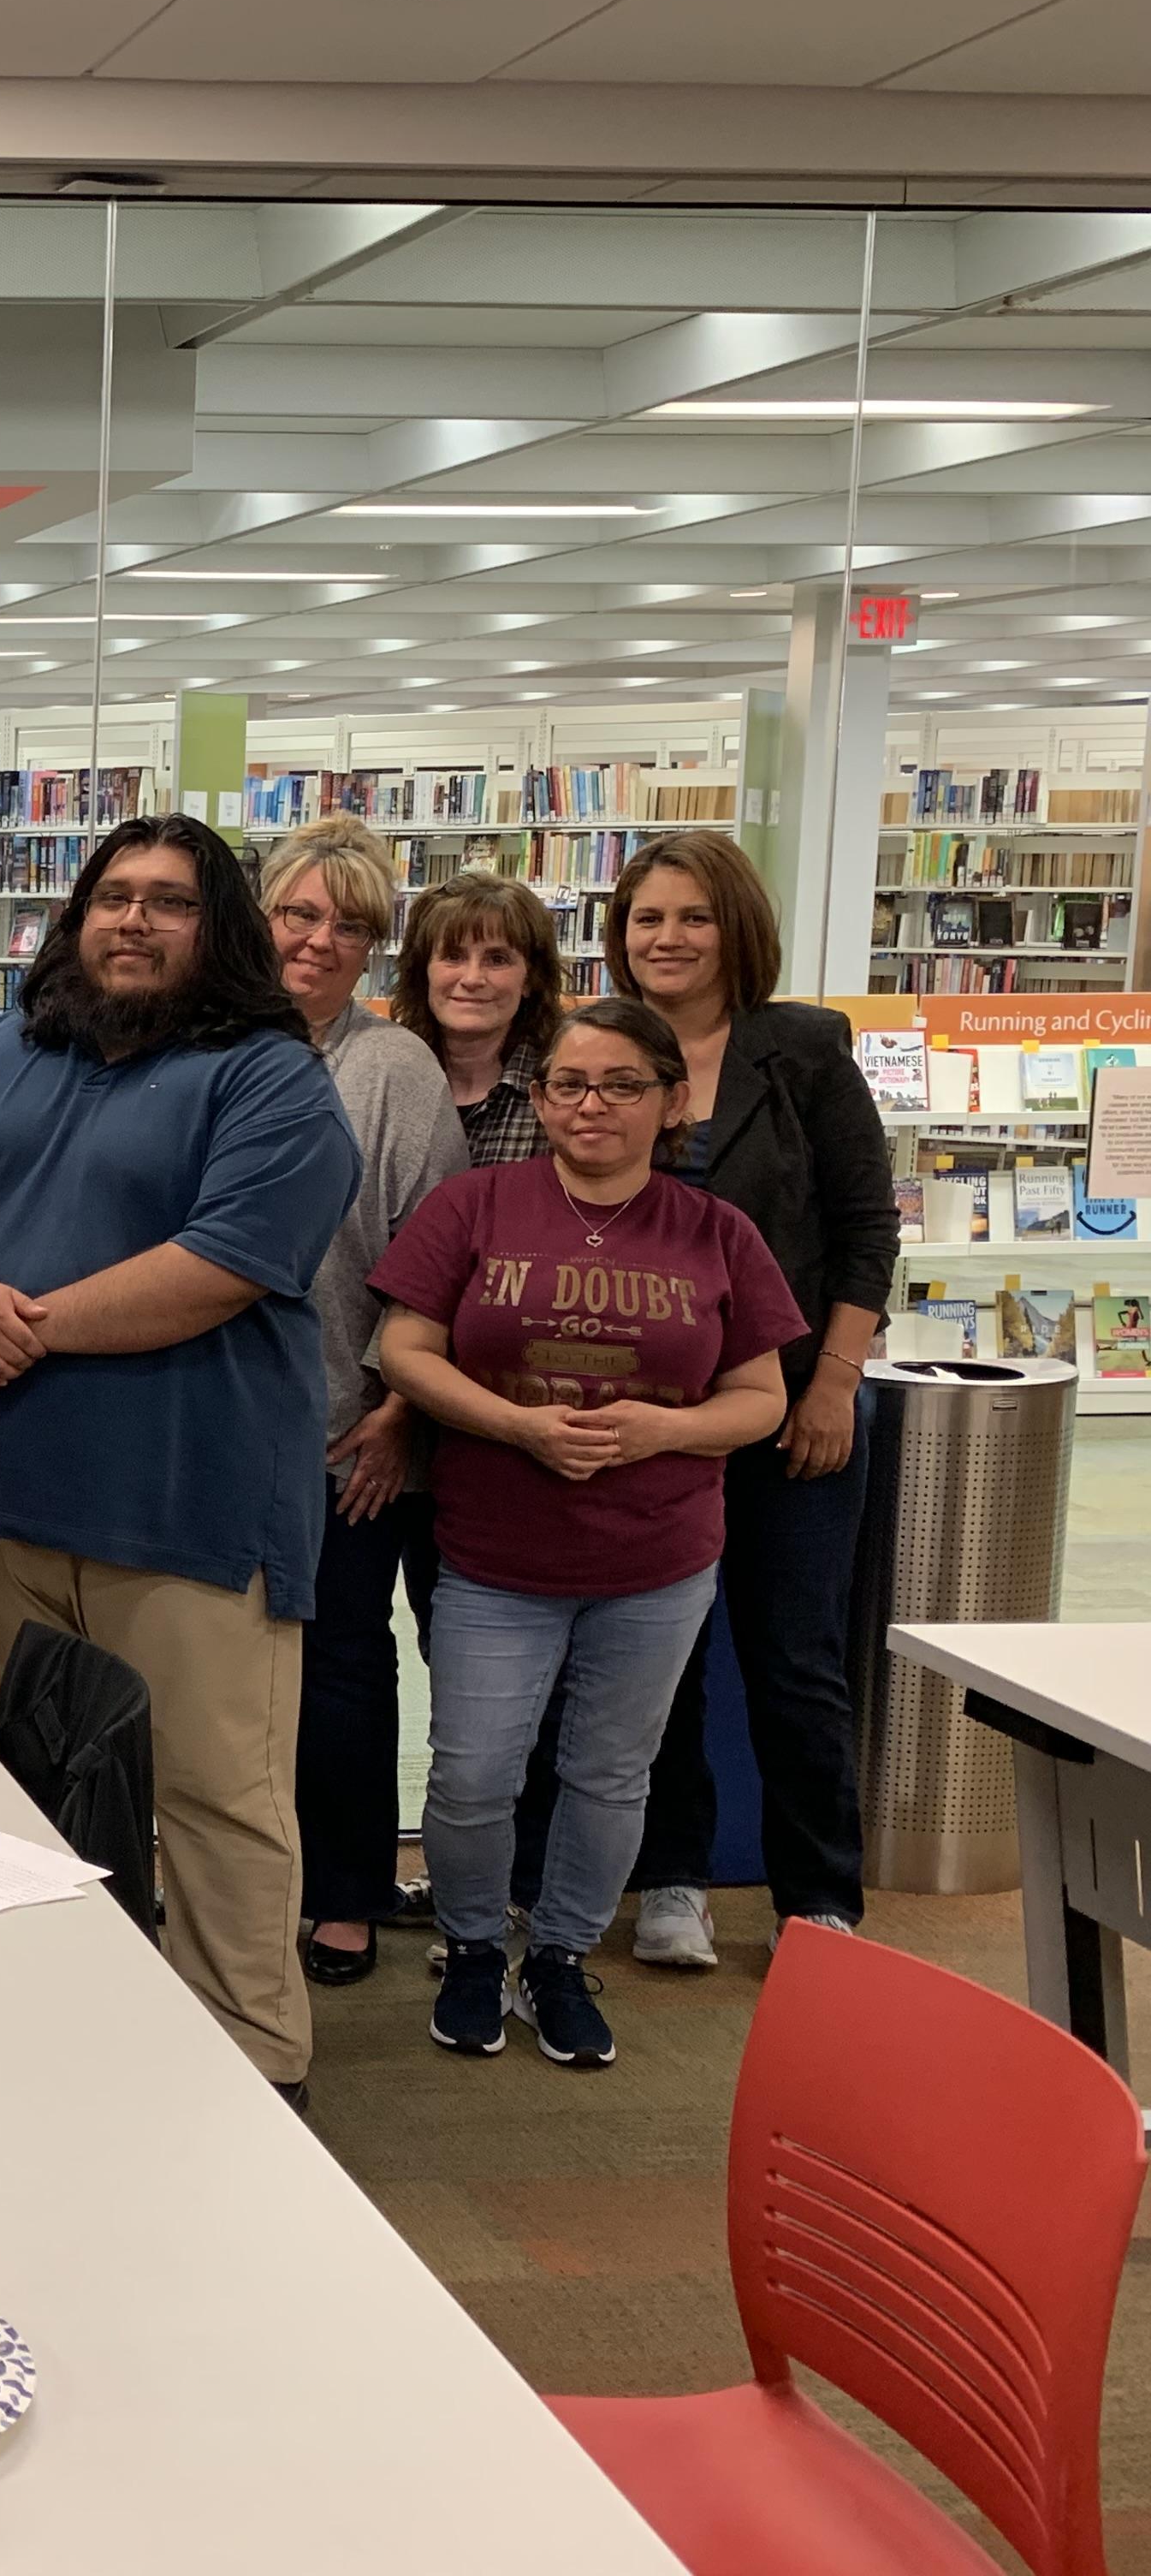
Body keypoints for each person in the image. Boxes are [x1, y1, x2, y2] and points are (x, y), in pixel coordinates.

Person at [0, 813, 359, 2101]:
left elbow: (226, 1265)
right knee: (6, 1784)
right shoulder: (0, 1050)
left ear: (224, 932)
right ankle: (39, 2033)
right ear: (76, 918)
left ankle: (249, 2074)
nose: (134, 920)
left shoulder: (274, 1078)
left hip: (186, 1502)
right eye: (113, 897)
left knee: (215, 1802)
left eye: (172, 902)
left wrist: (13, 1325)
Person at [371, 996, 802, 2068]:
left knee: (611, 1773)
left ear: (671, 1103)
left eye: (620, 1085)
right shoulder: (475, 1204)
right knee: (472, 1774)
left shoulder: (717, 1232)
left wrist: (665, 1429)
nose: (590, 1105)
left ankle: (560, 1955)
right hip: (494, 1554)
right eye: (568, 1084)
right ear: (541, 1097)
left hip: (655, 1559)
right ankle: (477, 1947)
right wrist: (516, 1423)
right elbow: (405, 1348)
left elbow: (763, 1401)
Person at [597, 828, 896, 1965]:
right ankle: (672, 1876)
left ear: (736, 930)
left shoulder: (805, 1051)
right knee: (656, 1656)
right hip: (649, 1418)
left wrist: (832, 1385)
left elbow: (868, 1231)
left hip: (793, 1410)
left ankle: (822, 1899)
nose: (666, 938)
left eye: (691, 916)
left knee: (795, 1659)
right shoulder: (605, 1049)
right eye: (645, 919)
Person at [258, 826, 469, 1984]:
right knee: (217, 1667)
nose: (321, 940)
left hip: (349, 1426)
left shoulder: (395, 1072)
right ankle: (239, 1879)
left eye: (349, 924)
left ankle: (343, 1889)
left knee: (343, 1659)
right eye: (300, 914)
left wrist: (398, 1410)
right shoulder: (204, 1045)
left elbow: (432, 1259)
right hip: (210, 1426)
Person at [392, 869, 565, 1169]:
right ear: (423, 971)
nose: (472, 979)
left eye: (497, 959)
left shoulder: (560, 1093)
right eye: (453, 956)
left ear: (530, 979)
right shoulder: (392, 1079)